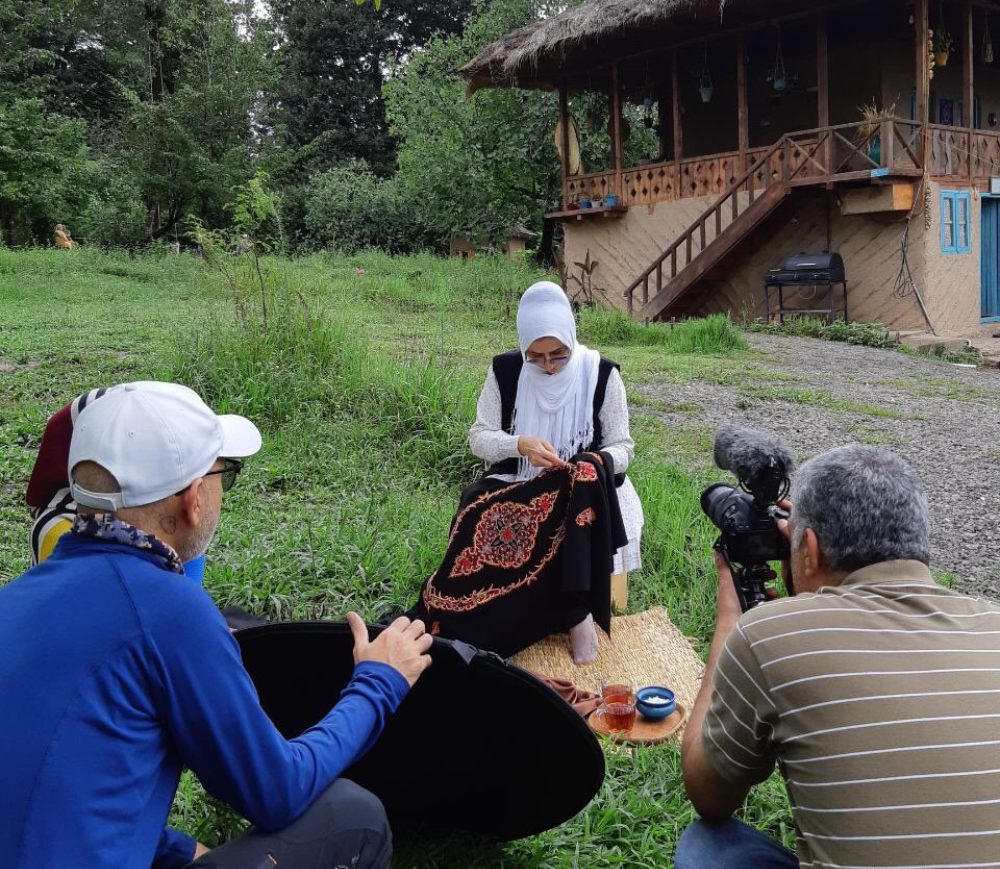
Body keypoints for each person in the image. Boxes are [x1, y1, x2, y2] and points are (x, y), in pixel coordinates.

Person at [0, 382, 432, 868]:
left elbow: (65, 791)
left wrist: (181, 851)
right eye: (222, 475)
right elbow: (278, 790)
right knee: (354, 816)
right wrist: (380, 680)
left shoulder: (17, 598)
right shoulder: (167, 609)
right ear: (192, 499)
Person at [678, 444, 1000, 869]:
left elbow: (709, 795)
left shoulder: (767, 636)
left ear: (807, 548)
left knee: (707, 848)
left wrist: (729, 628)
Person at [467, 281, 643, 663]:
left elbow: (623, 446)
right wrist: (520, 445)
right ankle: (490, 607)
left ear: (571, 338)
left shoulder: (601, 373)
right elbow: (479, 436)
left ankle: (576, 611)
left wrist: (592, 462)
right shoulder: (506, 371)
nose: (547, 366)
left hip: (583, 487)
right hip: (523, 479)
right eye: (537, 356)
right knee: (474, 502)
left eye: (558, 355)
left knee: (579, 490)